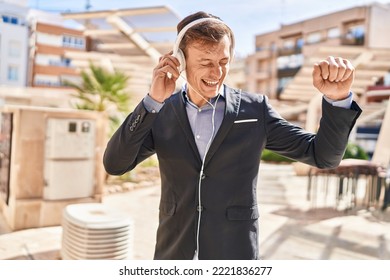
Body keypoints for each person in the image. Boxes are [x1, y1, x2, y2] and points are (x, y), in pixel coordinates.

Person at [103, 11, 362, 260]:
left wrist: (337, 100)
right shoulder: (161, 112)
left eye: (223, 62)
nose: (216, 73)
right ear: (180, 61)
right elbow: (115, 164)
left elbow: (323, 156)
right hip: (174, 255)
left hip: (235, 256)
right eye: (205, 62)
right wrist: (152, 101)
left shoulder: (255, 109)